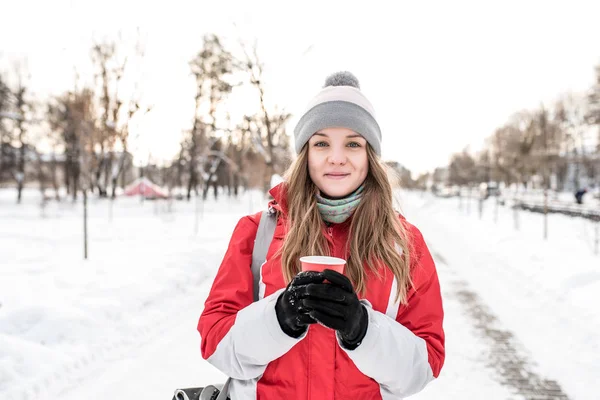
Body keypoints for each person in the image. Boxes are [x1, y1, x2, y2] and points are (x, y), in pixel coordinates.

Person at [198, 71, 445, 399]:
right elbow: (215, 343)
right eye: (322, 143)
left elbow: (424, 366)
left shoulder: (404, 244)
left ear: (370, 156)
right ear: (306, 154)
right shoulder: (257, 232)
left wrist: (362, 330)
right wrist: (278, 319)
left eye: (353, 143)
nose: (337, 157)